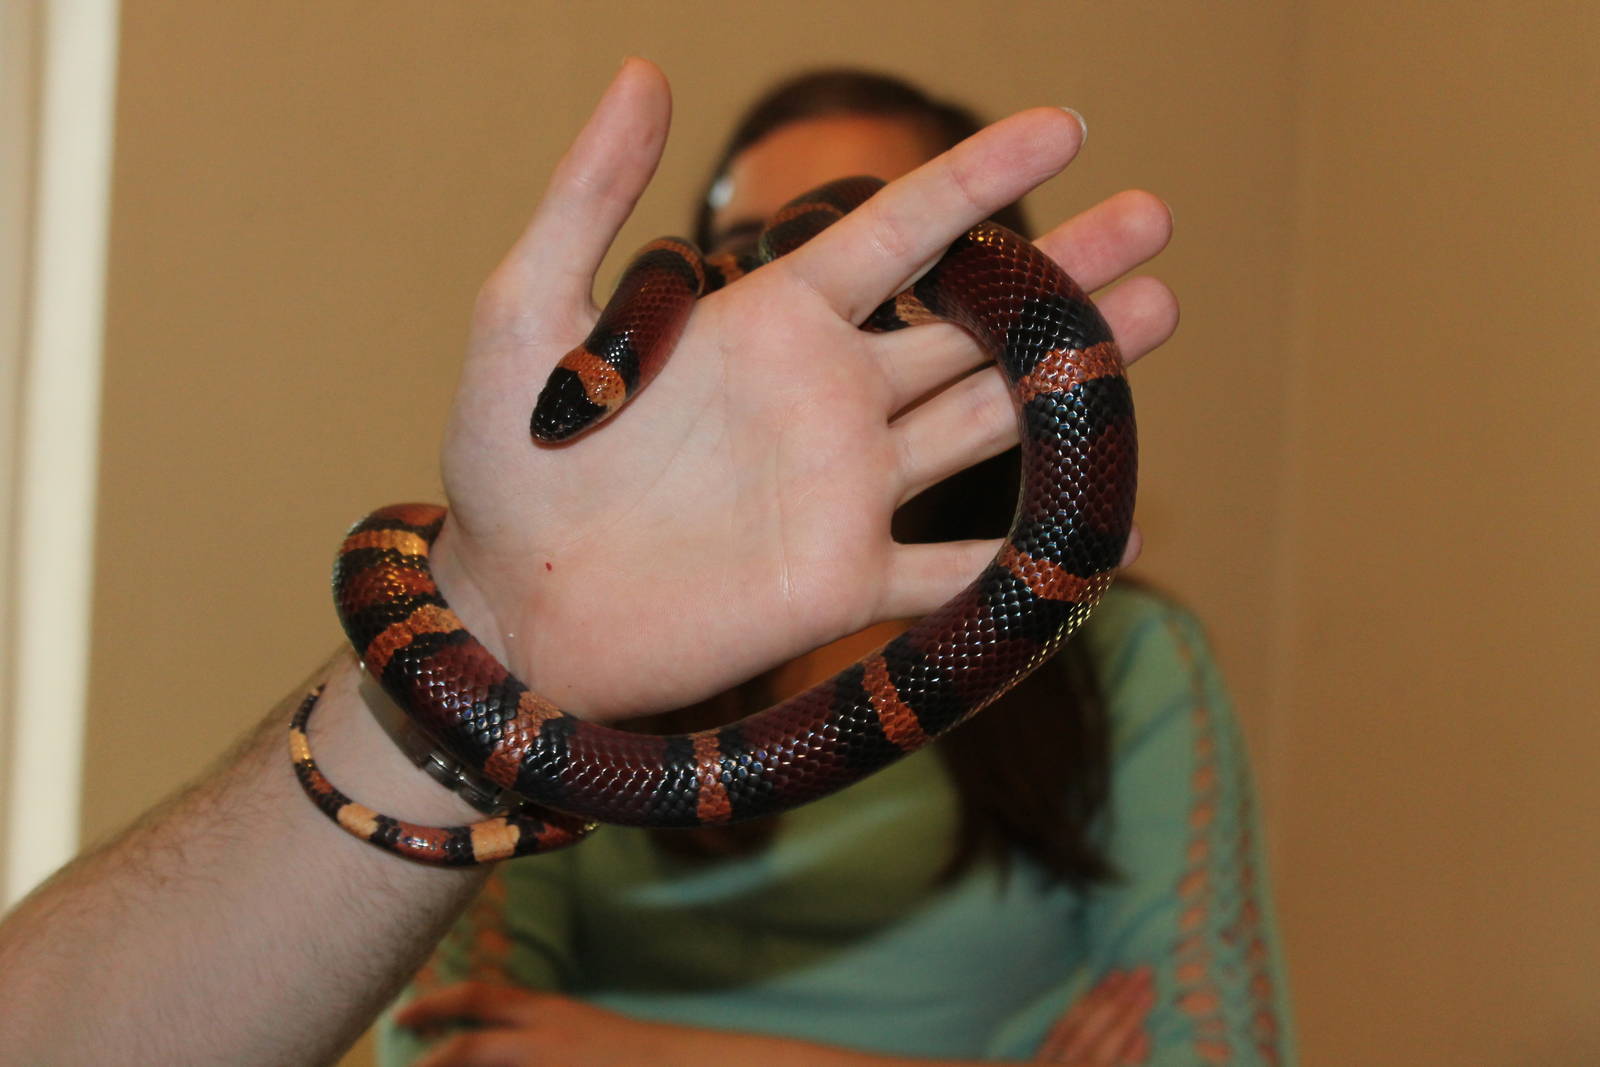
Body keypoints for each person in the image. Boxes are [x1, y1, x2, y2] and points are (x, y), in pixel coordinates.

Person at [376, 70, 1293, 1066]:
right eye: (758, 245)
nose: (800, 283)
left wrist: (636, 1049)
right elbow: (448, 1045)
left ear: (975, 285)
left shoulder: (1125, 654)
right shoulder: (579, 633)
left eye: (867, 240)